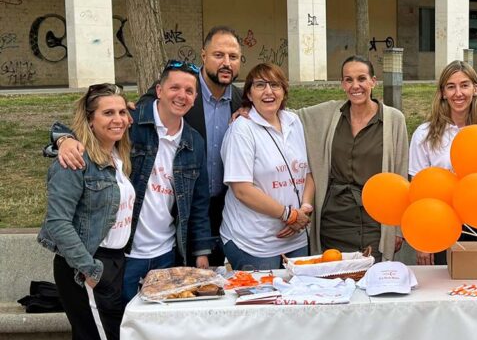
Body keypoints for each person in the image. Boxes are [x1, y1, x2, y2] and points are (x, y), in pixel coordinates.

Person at [54, 26, 242, 266]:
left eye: (233, 57)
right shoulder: (143, 115)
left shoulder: (240, 101)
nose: (226, 62)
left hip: (210, 213)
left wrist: (200, 249)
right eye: (219, 55)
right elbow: (97, 126)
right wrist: (62, 138)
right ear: (204, 56)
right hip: (136, 235)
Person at [54, 61, 213, 304]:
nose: (182, 96)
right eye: (175, 88)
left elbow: (199, 203)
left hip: (166, 254)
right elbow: (90, 131)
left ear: (195, 98)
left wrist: (201, 252)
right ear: (159, 90)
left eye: (189, 91)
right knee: (118, 328)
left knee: (159, 328)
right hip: (125, 254)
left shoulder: (195, 141)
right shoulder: (131, 122)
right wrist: (62, 139)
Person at [38, 84, 133, 340]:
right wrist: (90, 269)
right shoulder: (74, 162)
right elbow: (58, 224)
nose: (119, 119)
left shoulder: (116, 157)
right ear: (89, 121)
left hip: (111, 264)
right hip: (86, 267)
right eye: (107, 113)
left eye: (121, 112)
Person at [297, 56, 408, 262]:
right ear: (342, 84)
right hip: (334, 221)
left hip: (375, 221)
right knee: (334, 281)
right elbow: (286, 116)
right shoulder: (330, 113)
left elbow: (400, 175)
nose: (355, 86)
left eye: (361, 79)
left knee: (372, 282)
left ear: (373, 81)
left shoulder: (394, 120)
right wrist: (245, 108)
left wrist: (398, 228)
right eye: (348, 80)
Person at [220, 63, 314, 269]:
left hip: (296, 237)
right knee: (263, 300)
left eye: (275, 85)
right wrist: (288, 215)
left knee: (299, 299)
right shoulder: (241, 129)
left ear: (284, 91)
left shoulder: (294, 121)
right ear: (249, 94)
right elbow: (242, 190)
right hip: (255, 243)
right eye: (260, 85)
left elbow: (307, 173)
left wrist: (303, 211)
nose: (269, 91)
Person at [408, 60, 477, 265]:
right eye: (451, 86)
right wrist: (422, 239)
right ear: (442, 93)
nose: (458, 93)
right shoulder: (425, 133)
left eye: (464, 85)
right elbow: (418, 191)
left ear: (475, 89)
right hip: (440, 223)